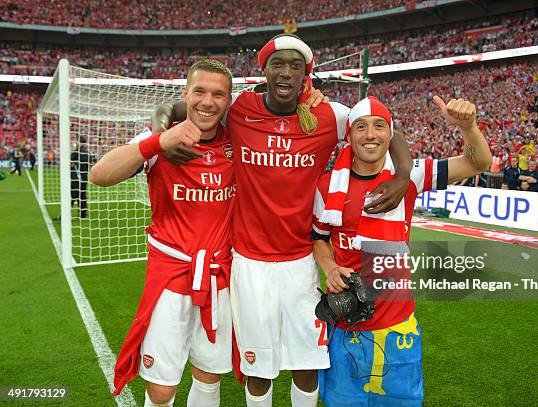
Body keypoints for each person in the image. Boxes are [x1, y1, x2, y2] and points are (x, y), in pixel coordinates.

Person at [153, 34, 413, 407]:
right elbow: (175, 109)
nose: (286, 72)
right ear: (264, 71)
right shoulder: (240, 108)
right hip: (249, 262)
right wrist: (163, 133)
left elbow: (386, 129)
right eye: (278, 64)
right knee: (259, 370)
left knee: (306, 366)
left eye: (295, 65)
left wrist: (403, 176)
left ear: (307, 74)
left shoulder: (328, 116)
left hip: (299, 261)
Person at [312, 96, 491, 407]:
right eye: (361, 127)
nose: (370, 134)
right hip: (345, 323)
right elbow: (319, 238)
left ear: (390, 133)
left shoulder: (411, 175)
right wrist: (329, 268)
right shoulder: (327, 185)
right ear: (349, 135)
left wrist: (469, 127)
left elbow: (478, 162)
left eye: (379, 126)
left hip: (397, 324)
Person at [91, 59, 235, 407]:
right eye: (199, 91)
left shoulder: (238, 141)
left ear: (228, 101)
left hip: (220, 277)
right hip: (170, 277)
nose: (207, 101)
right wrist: (157, 141)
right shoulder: (162, 137)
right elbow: (99, 174)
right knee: (160, 389)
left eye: (218, 94)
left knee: (209, 375)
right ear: (186, 94)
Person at [70, 135, 96, 218]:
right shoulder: (88, 153)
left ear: (79, 142)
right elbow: (91, 166)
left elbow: (70, 164)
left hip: (75, 177)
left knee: (71, 195)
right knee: (82, 195)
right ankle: (83, 213)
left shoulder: (76, 152)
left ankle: (64, 214)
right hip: (84, 177)